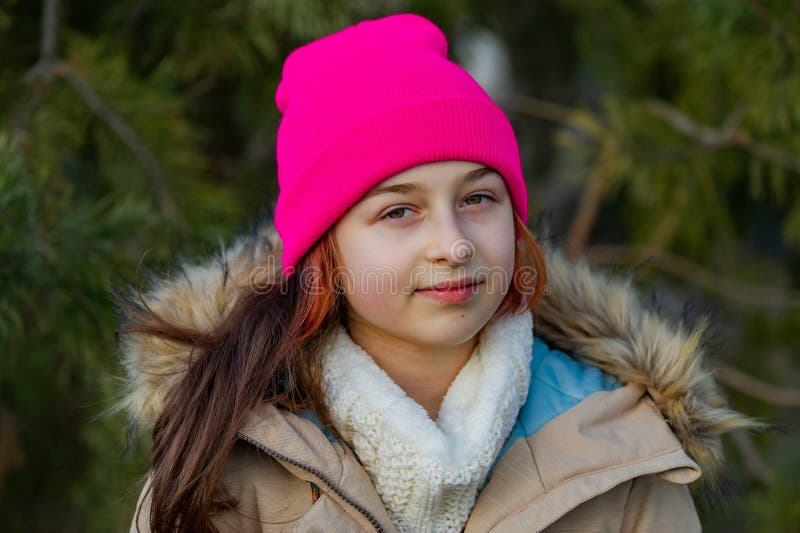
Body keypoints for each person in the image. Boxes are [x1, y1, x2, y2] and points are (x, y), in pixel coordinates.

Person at [120, 13, 754, 533]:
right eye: (400, 211)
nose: (453, 245)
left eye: (478, 199)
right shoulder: (228, 461)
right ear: (326, 252)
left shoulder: (618, 448)